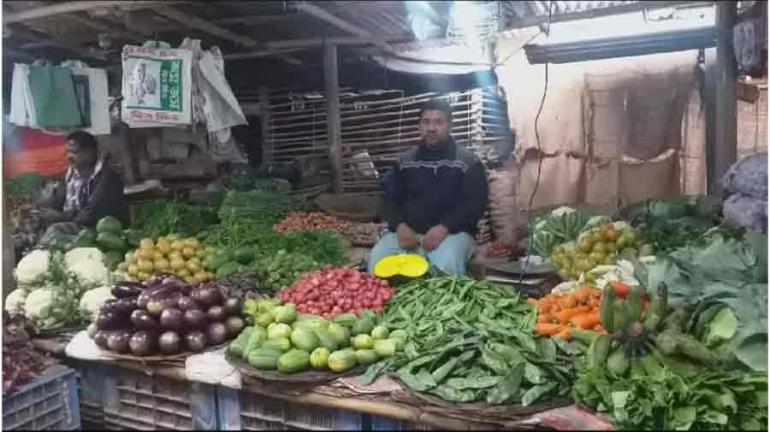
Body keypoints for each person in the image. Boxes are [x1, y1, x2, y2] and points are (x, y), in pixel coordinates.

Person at [368, 99, 488, 275]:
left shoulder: (468, 162)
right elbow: (390, 199)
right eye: (426, 122)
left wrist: (444, 228)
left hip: (453, 234)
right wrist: (400, 226)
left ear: (450, 126)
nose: (431, 128)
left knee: (446, 268)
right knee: (377, 262)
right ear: (419, 126)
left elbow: (475, 204)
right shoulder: (404, 161)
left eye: (438, 122)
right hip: (408, 234)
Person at [35, 130, 130, 245]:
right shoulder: (71, 174)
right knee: (37, 225)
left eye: (75, 152)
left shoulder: (107, 178)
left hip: (100, 231)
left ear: (90, 153)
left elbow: (89, 215)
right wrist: (39, 208)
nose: (69, 157)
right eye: (68, 152)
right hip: (74, 224)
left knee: (56, 230)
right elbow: (58, 200)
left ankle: (40, 251)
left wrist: (60, 216)